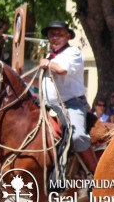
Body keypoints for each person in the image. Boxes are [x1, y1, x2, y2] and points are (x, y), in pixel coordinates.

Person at [39, 20, 98, 177]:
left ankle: (97, 174)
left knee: (78, 136)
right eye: (52, 35)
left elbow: (62, 69)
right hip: (48, 106)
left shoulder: (73, 53)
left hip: (71, 105)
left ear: (67, 37)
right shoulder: (49, 56)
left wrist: (47, 64)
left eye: (59, 34)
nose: (55, 37)